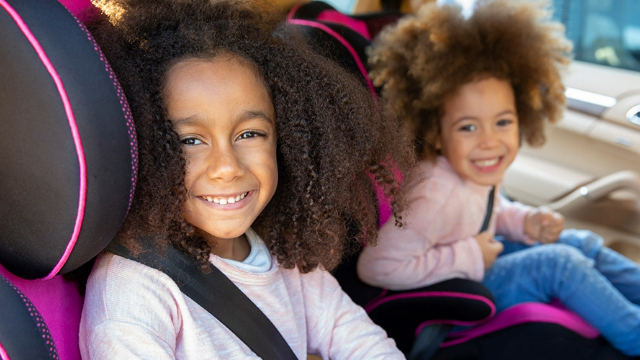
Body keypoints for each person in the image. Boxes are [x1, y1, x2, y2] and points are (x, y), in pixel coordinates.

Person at [79, 0, 415, 358]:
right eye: (189, 140)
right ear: (145, 145)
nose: (227, 167)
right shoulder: (133, 292)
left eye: (250, 134)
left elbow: (365, 345)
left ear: (285, 138)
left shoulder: (286, 259)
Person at [357, 0, 640, 356]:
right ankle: (634, 334)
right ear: (437, 133)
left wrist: (526, 223)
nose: (489, 141)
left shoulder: (473, 171)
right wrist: (469, 254)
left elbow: (486, 212)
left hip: (476, 264)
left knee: (579, 242)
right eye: (468, 126)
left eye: (502, 122)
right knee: (560, 264)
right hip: (459, 291)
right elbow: (377, 268)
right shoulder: (434, 194)